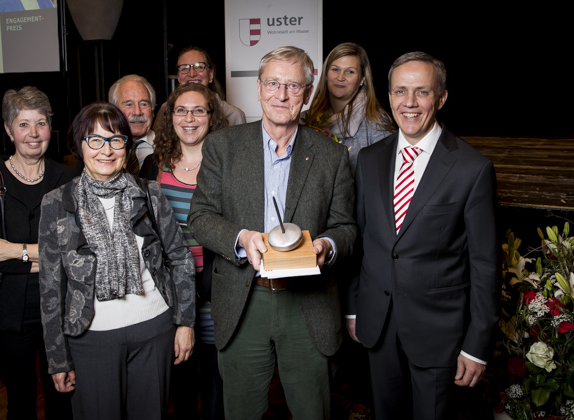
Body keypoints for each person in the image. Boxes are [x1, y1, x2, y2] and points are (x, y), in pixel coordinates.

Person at [188, 46, 357, 420]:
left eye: (293, 86)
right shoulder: (223, 147)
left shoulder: (331, 156)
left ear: (308, 93)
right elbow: (200, 216)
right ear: (260, 88)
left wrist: (326, 247)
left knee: (314, 411)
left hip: (308, 303)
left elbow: (346, 227)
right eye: (274, 83)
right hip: (243, 301)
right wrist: (242, 239)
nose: (282, 95)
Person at [346, 52, 499, 420]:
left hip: (439, 334)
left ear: (441, 98)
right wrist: (353, 307)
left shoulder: (472, 169)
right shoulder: (369, 159)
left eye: (422, 92)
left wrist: (477, 346)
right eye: (400, 91)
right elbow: (361, 240)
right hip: (377, 325)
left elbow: (485, 265)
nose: (409, 103)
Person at [38, 101, 196, 420]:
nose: (106, 150)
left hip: (154, 330)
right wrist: (57, 358)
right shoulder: (57, 203)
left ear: (126, 146)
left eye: (116, 140)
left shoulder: (150, 194)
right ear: (79, 144)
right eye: (95, 140)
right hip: (91, 338)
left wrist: (185, 322)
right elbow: (50, 287)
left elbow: (180, 258)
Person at [0, 86, 75, 419]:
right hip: (9, 312)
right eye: (23, 124)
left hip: (61, 311)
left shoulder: (67, 179)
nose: (33, 133)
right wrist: (49, 257)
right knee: (20, 399)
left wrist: (14, 250)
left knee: (63, 398)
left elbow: (74, 251)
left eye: (41, 123)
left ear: (50, 128)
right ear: (8, 129)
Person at [141, 83, 228, 419]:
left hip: (215, 295)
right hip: (168, 299)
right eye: (181, 110)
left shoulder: (227, 167)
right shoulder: (153, 166)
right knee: (179, 389)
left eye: (198, 110)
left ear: (212, 117)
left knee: (216, 390)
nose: (189, 118)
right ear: (170, 117)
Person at [302, 42, 395, 174]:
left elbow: (386, 177)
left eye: (350, 72)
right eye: (335, 69)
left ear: (362, 78)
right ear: (326, 74)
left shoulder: (376, 123)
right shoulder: (304, 120)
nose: (340, 78)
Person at [154, 46, 246, 128]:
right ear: (178, 77)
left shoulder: (234, 116)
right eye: (184, 68)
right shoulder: (165, 110)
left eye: (199, 67)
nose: (192, 74)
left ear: (210, 74)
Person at [108, 74, 157, 175]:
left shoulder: (170, 149)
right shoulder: (98, 152)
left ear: (152, 111)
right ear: (113, 111)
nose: (137, 112)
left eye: (144, 104)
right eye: (129, 104)